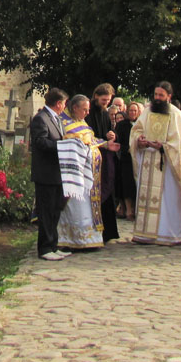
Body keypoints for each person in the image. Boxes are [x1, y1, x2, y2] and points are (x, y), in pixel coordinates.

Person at [130, 82, 181, 245]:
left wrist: (163, 146)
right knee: (147, 198)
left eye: (161, 95)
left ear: (169, 97)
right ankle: (145, 234)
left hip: (167, 164)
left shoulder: (176, 115)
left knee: (167, 199)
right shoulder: (147, 112)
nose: (157, 98)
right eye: (156, 95)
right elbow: (136, 131)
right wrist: (139, 140)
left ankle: (167, 234)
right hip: (148, 160)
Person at [58, 95, 119, 250]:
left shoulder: (81, 122)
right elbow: (74, 147)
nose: (87, 113)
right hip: (75, 176)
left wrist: (105, 145)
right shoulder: (64, 123)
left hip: (90, 177)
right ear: (75, 108)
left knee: (89, 208)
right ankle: (74, 240)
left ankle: (89, 240)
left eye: (88, 110)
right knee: (77, 208)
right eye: (84, 110)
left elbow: (90, 141)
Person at [31, 88, 70, 260]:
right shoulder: (41, 119)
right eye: (64, 103)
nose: (64, 107)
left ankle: (53, 245)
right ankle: (45, 248)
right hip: (45, 173)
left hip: (57, 173)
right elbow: (40, 142)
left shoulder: (57, 119)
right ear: (58, 103)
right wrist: (62, 146)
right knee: (46, 212)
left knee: (55, 210)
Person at [85, 83, 120, 243]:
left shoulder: (105, 113)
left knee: (106, 191)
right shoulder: (88, 112)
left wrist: (111, 135)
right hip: (91, 158)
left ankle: (108, 232)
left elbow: (105, 134)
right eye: (104, 100)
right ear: (96, 97)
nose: (106, 103)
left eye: (108, 100)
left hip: (104, 158)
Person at [114, 100, 139, 219]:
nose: (133, 112)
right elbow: (118, 142)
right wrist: (127, 149)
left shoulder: (141, 124)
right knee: (127, 185)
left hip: (139, 158)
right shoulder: (121, 125)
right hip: (126, 159)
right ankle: (128, 210)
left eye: (135, 110)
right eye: (131, 110)